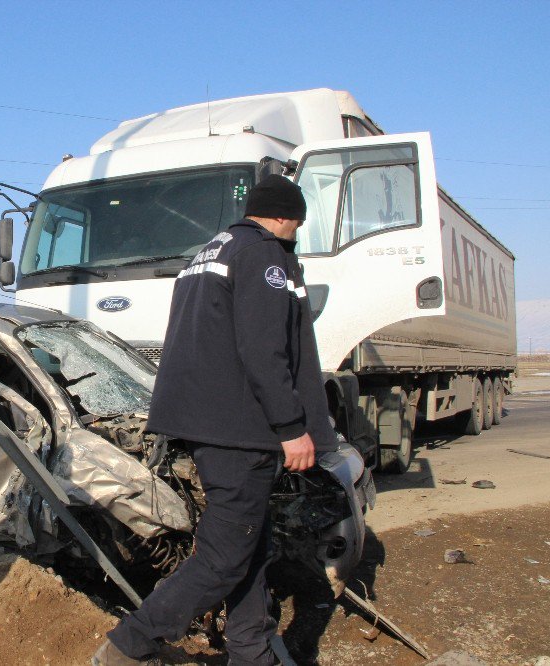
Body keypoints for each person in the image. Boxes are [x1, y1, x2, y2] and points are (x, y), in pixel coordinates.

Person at [93, 175, 338, 666]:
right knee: (224, 556)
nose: (294, 237)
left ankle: (251, 650)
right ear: (288, 218)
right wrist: (292, 427)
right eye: (297, 226)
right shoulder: (264, 254)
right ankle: (129, 645)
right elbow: (265, 350)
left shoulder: (207, 254)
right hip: (240, 430)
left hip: (207, 423)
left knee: (248, 544)